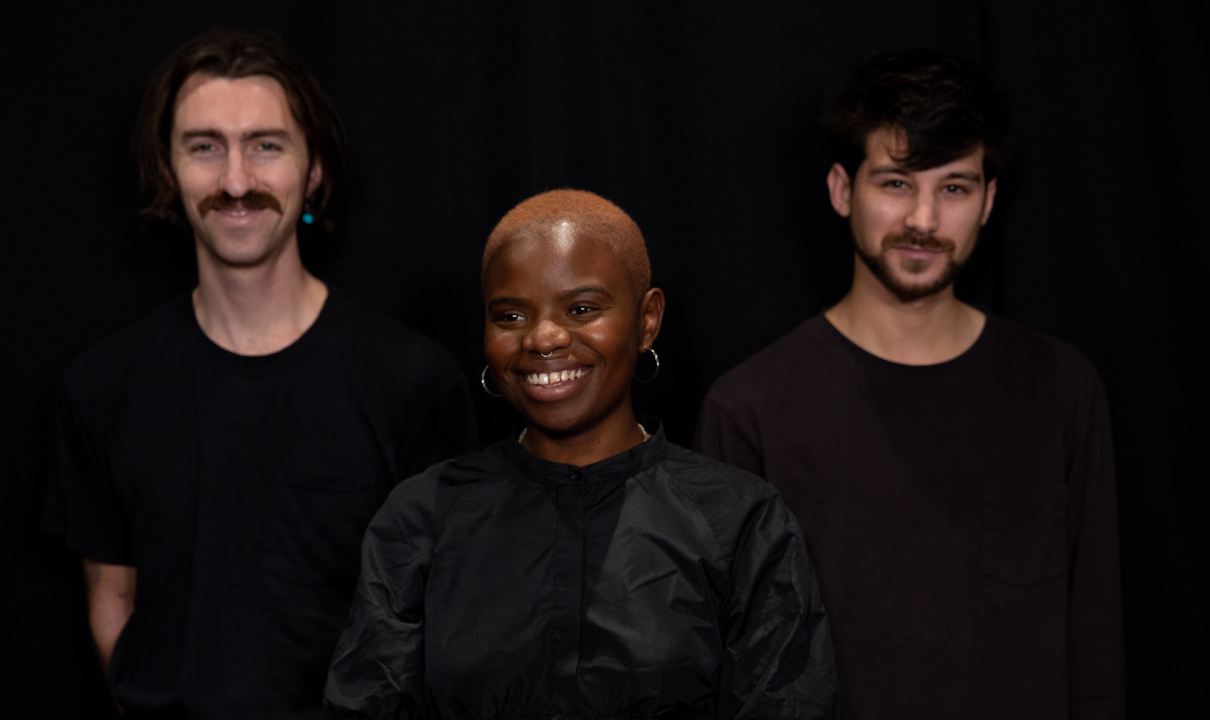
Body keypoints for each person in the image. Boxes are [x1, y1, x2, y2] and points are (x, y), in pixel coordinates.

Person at [41, 28, 476, 718]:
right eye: (204, 147)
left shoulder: (413, 380)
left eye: (266, 145)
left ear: (314, 169)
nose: (235, 182)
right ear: (167, 166)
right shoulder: (101, 387)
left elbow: (451, 611)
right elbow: (111, 599)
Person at [695, 49, 1124, 719]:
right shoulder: (749, 407)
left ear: (988, 202)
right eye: (896, 182)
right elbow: (726, 665)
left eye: (953, 187)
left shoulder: (1061, 388)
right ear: (843, 190)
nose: (923, 220)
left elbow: (1094, 645)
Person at [324, 189, 838, 719]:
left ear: (647, 320)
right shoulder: (422, 520)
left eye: (582, 308)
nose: (543, 337)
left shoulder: (741, 523)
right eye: (511, 315)